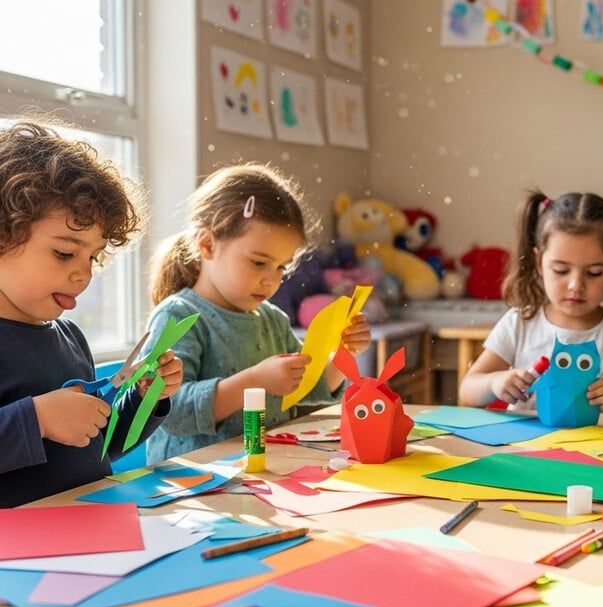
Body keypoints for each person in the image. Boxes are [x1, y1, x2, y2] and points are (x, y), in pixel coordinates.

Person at [0, 119, 184, 507]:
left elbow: (98, 446)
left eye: (93, 257)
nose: (83, 274)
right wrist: (38, 420)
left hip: (92, 527)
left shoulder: (70, 339)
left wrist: (144, 398)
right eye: (64, 253)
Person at [144, 163, 371, 463]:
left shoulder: (273, 320)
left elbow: (306, 387)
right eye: (259, 262)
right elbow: (169, 411)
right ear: (208, 245)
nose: (271, 279)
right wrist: (254, 381)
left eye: (281, 266)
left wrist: (342, 354)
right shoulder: (178, 316)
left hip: (263, 475)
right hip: (193, 482)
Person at [458, 191, 603, 418]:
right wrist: (493, 382)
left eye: (594, 272)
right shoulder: (520, 322)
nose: (576, 285)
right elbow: (467, 392)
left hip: (600, 441)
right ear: (539, 262)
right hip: (529, 441)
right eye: (561, 270)